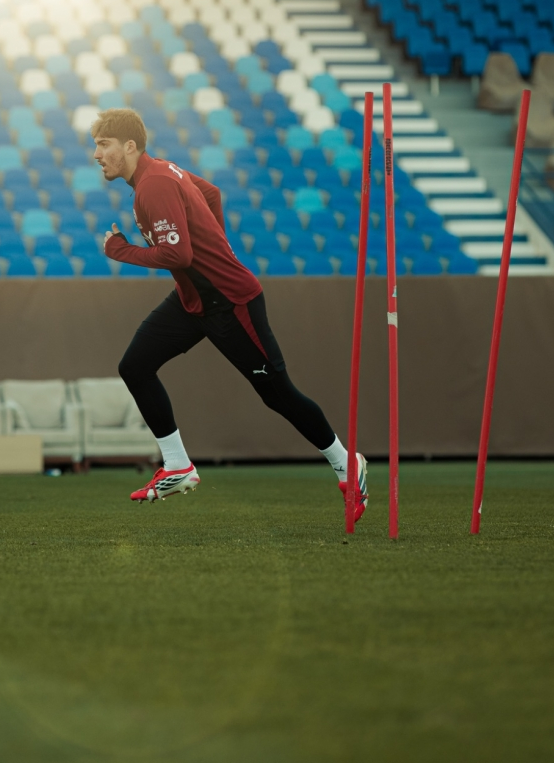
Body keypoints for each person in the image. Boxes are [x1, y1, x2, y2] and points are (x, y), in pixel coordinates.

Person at [92, 107, 367, 516]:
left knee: (278, 394)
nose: (97, 154)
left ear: (130, 146)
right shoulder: (159, 173)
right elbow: (212, 194)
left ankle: (347, 464)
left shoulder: (154, 184)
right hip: (194, 300)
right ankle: (178, 465)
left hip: (230, 301)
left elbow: (178, 255)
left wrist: (121, 250)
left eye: (103, 145)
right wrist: (216, 248)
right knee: (135, 366)